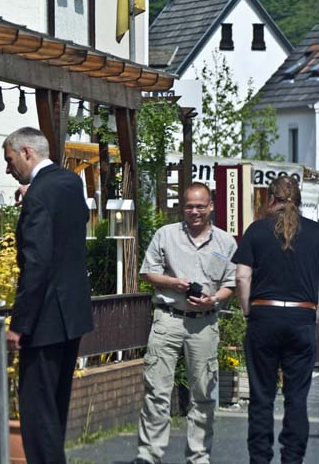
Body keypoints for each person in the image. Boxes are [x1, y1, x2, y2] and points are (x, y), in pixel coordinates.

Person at [2, 127, 93, 464]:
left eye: (10, 160)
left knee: (38, 419)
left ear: (27, 153)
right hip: (71, 316)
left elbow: (37, 264)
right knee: (54, 411)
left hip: (43, 319)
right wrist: (33, 191)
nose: (8, 169)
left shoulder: (40, 194)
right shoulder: (70, 183)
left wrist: (19, 325)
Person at [133, 182, 237, 464]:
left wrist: (213, 299)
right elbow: (147, 272)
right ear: (183, 207)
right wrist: (174, 283)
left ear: (211, 206)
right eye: (189, 206)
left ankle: (198, 456)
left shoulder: (226, 243)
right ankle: (148, 455)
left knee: (203, 392)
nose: (194, 211)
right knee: (156, 390)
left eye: (200, 206)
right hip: (167, 319)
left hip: (203, 322)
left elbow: (231, 284)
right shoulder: (166, 235)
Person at [232, 176, 319, 464]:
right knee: (296, 398)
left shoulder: (256, 231)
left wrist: (248, 311)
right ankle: (292, 459)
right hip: (302, 315)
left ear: (271, 199)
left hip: (264, 315)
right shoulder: (316, 233)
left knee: (261, 395)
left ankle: (260, 459)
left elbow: (242, 276)